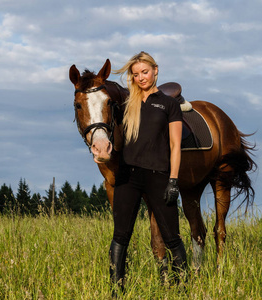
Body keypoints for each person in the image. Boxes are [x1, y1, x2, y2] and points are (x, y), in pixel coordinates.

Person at [108, 51, 187, 291]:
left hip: (159, 175)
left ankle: (181, 287)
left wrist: (173, 180)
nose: (141, 77)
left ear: (155, 70)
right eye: (136, 74)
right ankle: (116, 290)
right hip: (128, 177)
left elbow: (175, 145)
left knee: (172, 235)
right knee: (121, 235)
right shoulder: (126, 105)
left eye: (145, 72)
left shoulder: (169, 104)